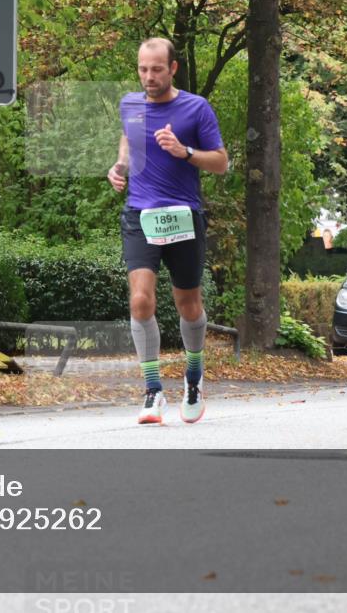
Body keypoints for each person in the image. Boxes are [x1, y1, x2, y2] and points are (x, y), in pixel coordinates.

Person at [107, 38, 228, 424]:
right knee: (140, 300)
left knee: (188, 305)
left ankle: (193, 378)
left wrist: (185, 152)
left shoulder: (196, 108)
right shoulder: (130, 104)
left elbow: (221, 163)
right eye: (143, 69)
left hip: (183, 216)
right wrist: (120, 166)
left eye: (156, 69)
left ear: (172, 69)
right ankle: (153, 391)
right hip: (139, 215)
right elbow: (128, 138)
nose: (149, 76)